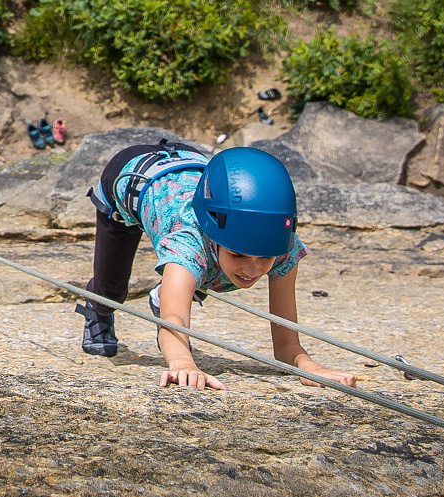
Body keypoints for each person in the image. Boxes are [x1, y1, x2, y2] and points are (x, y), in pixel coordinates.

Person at [75, 141, 355, 392]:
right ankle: (98, 310)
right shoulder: (188, 245)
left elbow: (286, 345)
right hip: (128, 179)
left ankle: (171, 290)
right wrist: (183, 363)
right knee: (110, 293)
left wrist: (308, 366)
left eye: (264, 258)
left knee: (203, 274)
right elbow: (172, 320)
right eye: (239, 255)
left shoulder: (281, 244)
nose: (253, 271)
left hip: (190, 163)